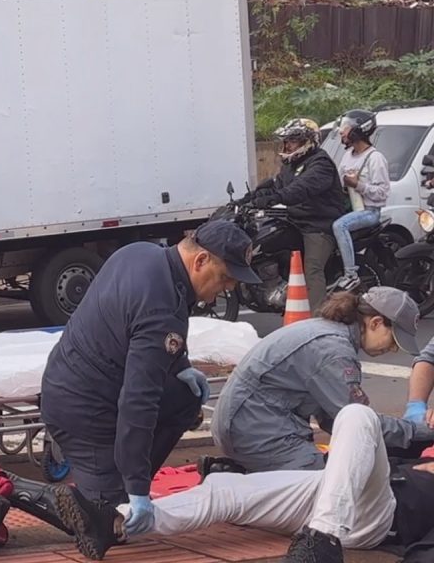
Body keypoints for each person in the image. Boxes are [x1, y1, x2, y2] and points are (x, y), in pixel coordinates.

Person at [39, 219, 260, 540]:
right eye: (225, 278)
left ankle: (111, 477)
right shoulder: (161, 305)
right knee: (108, 525)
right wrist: (139, 488)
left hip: (70, 384)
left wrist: (180, 364)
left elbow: (136, 330)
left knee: (185, 397)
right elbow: (138, 402)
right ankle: (49, 490)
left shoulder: (143, 256)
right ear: (200, 261)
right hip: (85, 410)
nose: (226, 289)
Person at [33, 404, 434, 563]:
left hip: (382, 514)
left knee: (359, 415)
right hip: (336, 490)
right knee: (224, 489)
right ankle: (115, 523)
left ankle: (321, 546)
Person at [212, 286, 434, 474]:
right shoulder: (334, 352)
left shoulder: (328, 332)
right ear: (376, 323)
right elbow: (359, 421)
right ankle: (236, 478)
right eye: (394, 340)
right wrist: (419, 432)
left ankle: (239, 472)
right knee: (335, 483)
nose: (393, 350)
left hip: (248, 425)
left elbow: (332, 418)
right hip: (255, 432)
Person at [244, 117, 349, 310]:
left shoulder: (321, 163)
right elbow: (278, 185)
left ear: (307, 141)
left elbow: (300, 189)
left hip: (318, 225)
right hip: (295, 220)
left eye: (292, 140)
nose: (287, 145)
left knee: (312, 269)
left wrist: (275, 198)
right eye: (286, 140)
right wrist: (251, 198)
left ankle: (317, 318)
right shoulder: (290, 165)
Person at [331, 109, 389, 292]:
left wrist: (358, 185)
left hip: (369, 211)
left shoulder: (375, 158)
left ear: (358, 130)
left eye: (345, 128)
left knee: (339, 226)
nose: (341, 131)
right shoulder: (348, 155)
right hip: (350, 208)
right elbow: (338, 181)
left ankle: (350, 274)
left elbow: (382, 192)